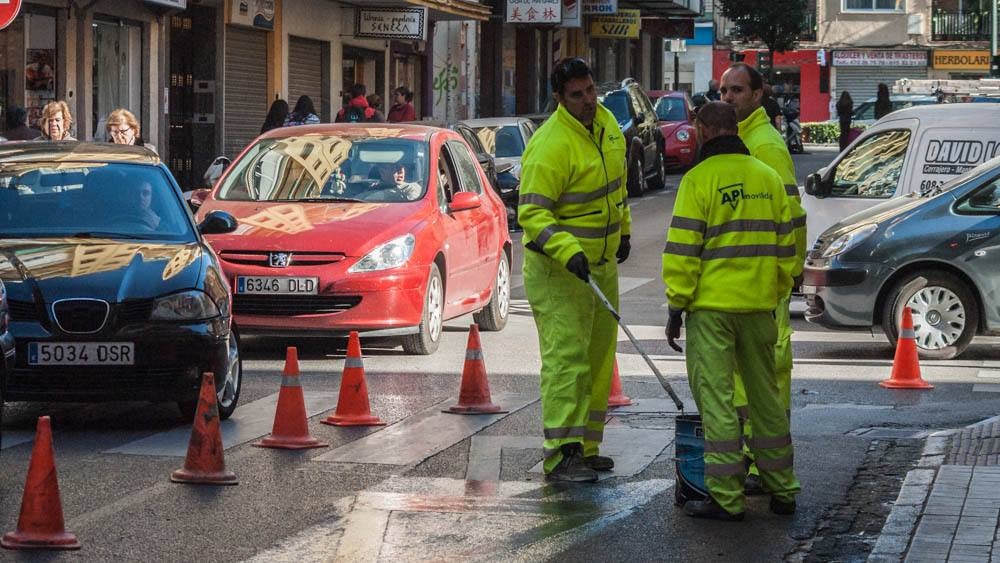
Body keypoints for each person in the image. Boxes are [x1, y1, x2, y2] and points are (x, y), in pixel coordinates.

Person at [662, 101, 800, 521]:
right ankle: (784, 489)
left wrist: (676, 306)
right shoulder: (768, 178)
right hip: (760, 307)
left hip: (712, 312)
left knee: (719, 402)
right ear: (735, 129)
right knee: (766, 400)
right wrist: (771, 293)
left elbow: (683, 252)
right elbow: (786, 249)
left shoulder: (698, 180)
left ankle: (726, 498)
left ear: (703, 131)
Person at [518, 57, 630, 483]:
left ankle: (585, 446)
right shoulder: (551, 144)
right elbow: (531, 213)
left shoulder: (607, 127)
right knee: (567, 362)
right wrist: (567, 250)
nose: (587, 100)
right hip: (559, 273)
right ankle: (561, 455)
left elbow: (616, 189)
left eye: (590, 91)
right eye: (577, 95)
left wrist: (625, 232)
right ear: (559, 99)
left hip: (599, 267)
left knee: (599, 358)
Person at [719, 62, 806, 495]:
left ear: (758, 94)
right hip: (749, 286)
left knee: (766, 381)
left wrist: (786, 275)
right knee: (749, 379)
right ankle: (756, 462)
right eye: (724, 90)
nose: (728, 97)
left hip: (765, 287)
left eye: (737, 90)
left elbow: (792, 218)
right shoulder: (741, 141)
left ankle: (764, 466)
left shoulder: (764, 145)